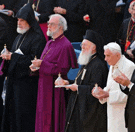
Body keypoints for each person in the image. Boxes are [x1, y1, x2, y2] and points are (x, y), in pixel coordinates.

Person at [1, 3, 46, 132]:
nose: (19, 23)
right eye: (18, 20)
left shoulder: (38, 38)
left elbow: (34, 60)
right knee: (12, 114)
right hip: (14, 82)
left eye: (22, 20)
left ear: (29, 21)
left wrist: (13, 57)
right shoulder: (19, 35)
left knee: (24, 117)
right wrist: (8, 56)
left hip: (27, 84)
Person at [30, 14, 78, 132]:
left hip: (55, 89)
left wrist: (41, 65)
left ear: (60, 27)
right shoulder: (49, 43)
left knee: (53, 119)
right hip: (44, 86)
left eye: (52, 24)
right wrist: (35, 67)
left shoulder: (65, 45)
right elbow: (43, 63)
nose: (48, 26)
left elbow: (62, 69)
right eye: (48, 23)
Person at [62, 30, 109, 132]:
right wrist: (68, 83)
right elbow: (81, 82)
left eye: (85, 45)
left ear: (94, 47)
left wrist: (77, 88)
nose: (82, 47)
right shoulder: (87, 60)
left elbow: (96, 88)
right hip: (79, 107)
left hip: (90, 111)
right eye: (82, 45)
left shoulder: (98, 65)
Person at [92, 42, 135, 132]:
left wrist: (107, 94)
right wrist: (100, 92)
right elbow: (110, 87)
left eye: (108, 56)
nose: (105, 59)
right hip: (112, 111)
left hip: (123, 112)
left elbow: (130, 93)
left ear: (118, 55)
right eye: (105, 55)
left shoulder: (129, 66)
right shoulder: (112, 65)